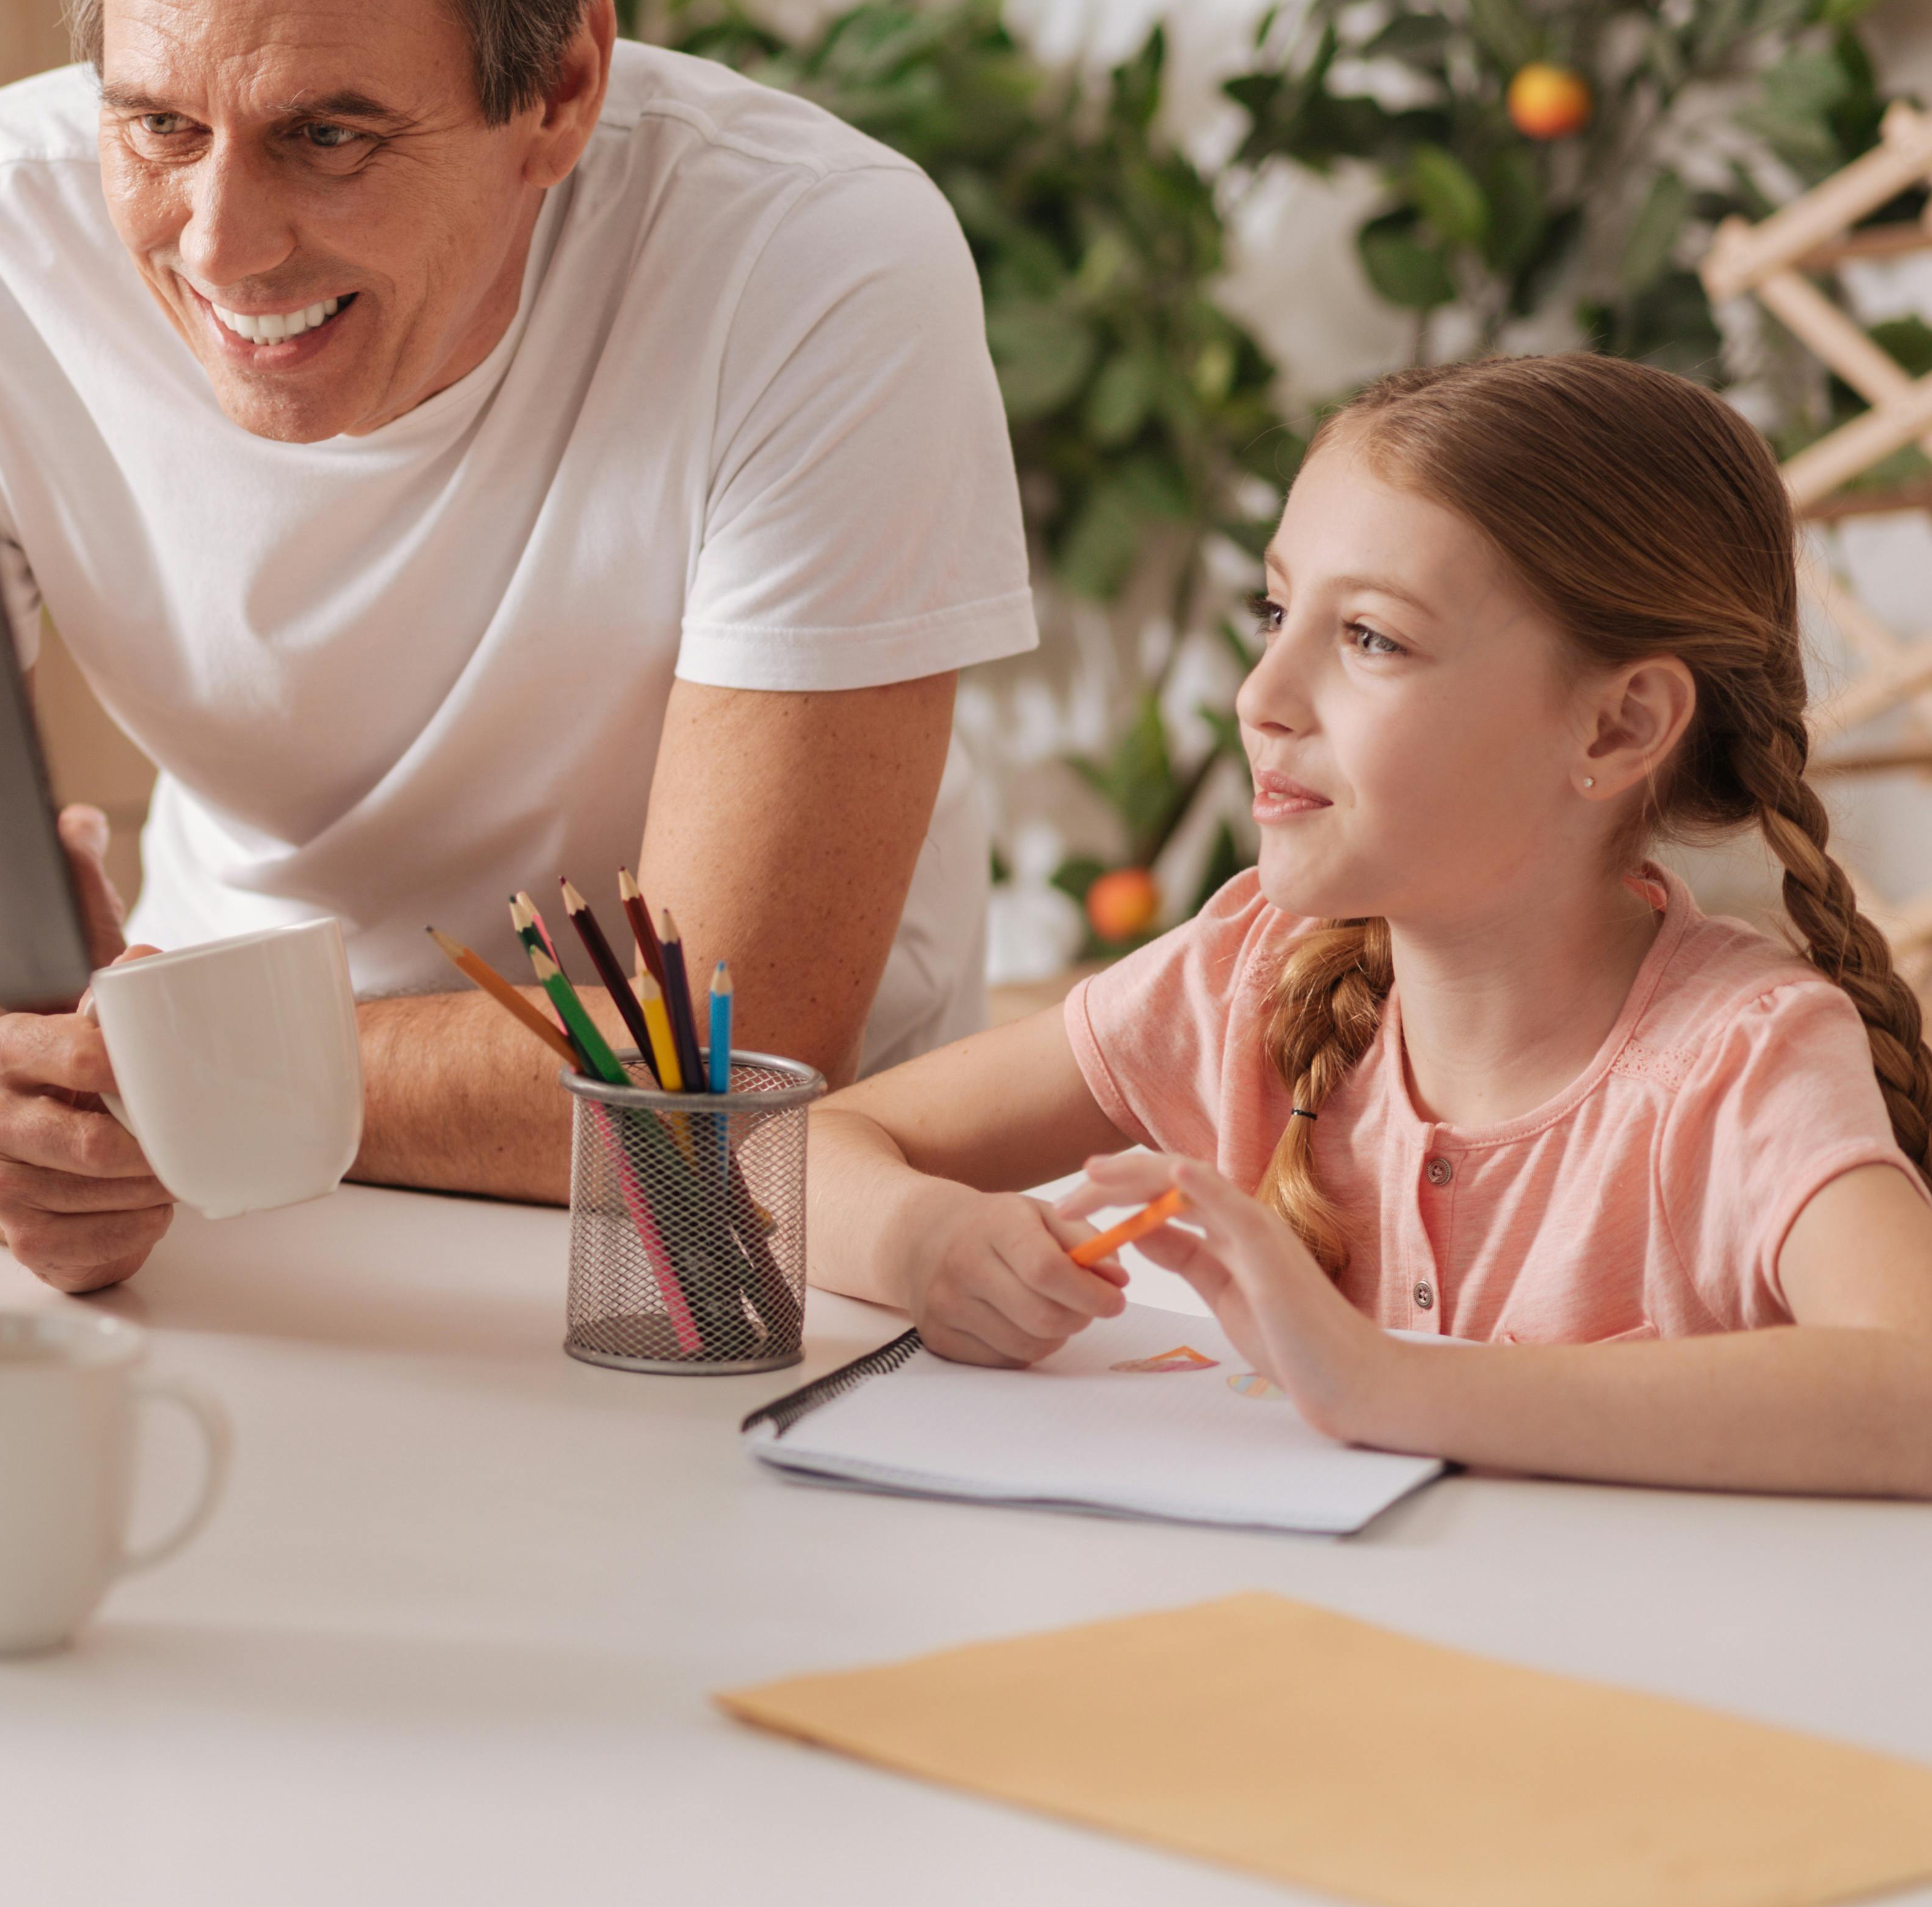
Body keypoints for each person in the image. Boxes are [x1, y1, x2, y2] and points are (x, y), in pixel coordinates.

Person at [0, 0, 1035, 1292]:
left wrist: (183, 1077)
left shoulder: (816, 264)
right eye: (160, 124)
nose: (222, 246)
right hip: (213, 1201)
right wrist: (3, 1122)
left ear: (562, 89)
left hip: (725, 1246)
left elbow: (726, 1056)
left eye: (330, 135)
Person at [810, 353, 1932, 1495]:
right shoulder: (1245, 980)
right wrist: (926, 1244)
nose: (1260, 695)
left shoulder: (1740, 1062)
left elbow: (1916, 1394)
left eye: (1372, 640)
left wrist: (1377, 1382)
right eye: (1277, 611)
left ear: (1615, 728)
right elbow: (785, 1149)